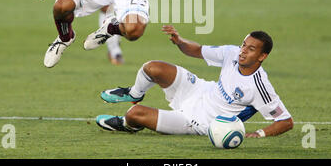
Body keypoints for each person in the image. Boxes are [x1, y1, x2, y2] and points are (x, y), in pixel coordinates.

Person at [96, 25, 293, 138]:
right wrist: (181, 42)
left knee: (134, 114)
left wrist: (259, 134)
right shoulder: (231, 53)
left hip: (200, 123)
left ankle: (128, 125)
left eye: (251, 49)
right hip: (198, 90)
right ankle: (134, 93)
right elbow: (198, 50)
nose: (243, 51)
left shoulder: (260, 86)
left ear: (262, 56)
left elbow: (285, 121)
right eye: (244, 45)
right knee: (152, 67)